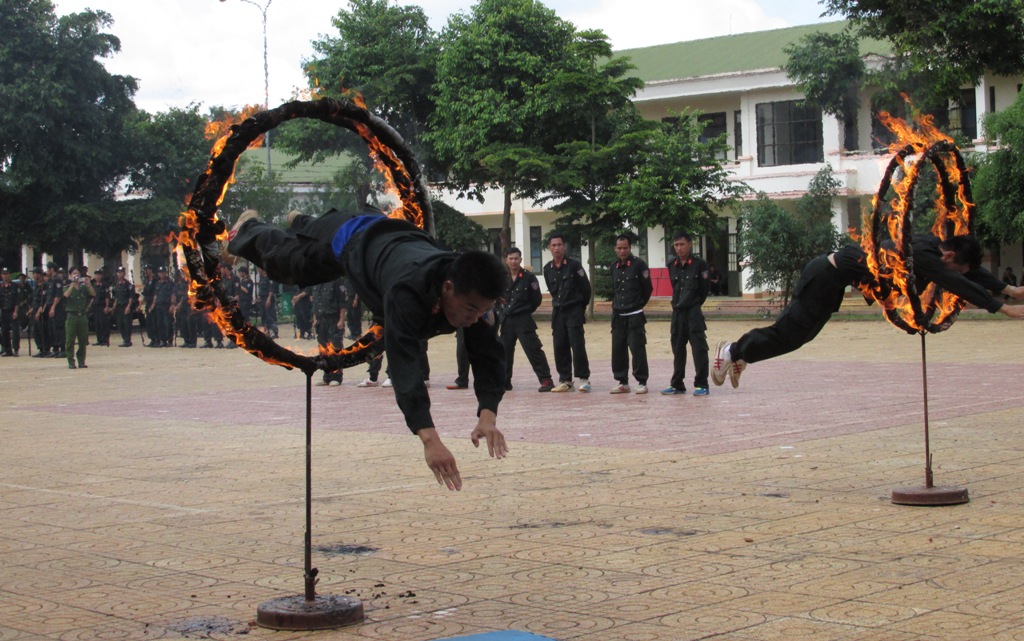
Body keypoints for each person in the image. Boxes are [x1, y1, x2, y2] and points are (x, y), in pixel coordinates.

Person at [226, 207, 509, 490]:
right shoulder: (407, 292)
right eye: (471, 309)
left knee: (311, 238)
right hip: (354, 240)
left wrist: (488, 416)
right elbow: (404, 365)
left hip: (394, 239)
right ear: (447, 287)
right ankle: (248, 228)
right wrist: (430, 440)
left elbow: (489, 357)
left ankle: (301, 220)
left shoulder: (473, 292)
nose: (474, 318)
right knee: (287, 266)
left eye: (481, 311)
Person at [711, 234, 1024, 389]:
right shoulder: (925, 255)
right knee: (791, 334)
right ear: (950, 255)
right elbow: (955, 280)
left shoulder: (935, 248)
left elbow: (965, 273)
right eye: (957, 266)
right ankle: (732, 351)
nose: (957, 272)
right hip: (824, 275)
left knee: (799, 336)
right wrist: (1001, 308)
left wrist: (1009, 290)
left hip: (834, 280)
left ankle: (742, 354)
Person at [496, 248, 554, 392]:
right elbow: (498, 298)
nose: (513, 261)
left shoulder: (529, 277)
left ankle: (546, 380)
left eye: (516, 258)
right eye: (511, 258)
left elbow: (536, 299)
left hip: (523, 319)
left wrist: (526, 310)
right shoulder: (501, 277)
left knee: (533, 350)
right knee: (504, 352)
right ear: (506, 260)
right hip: (507, 320)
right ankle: (504, 381)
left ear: (521, 260)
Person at [662, 231, 711, 396]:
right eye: (676, 245)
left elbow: (703, 290)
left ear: (690, 244)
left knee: (699, 348)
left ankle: (702, 384)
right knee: (677, 348)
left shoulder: (699, 264)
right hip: (677, 313)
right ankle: (677, 384)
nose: (679, 248)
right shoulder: (671, 265)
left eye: (682, 244)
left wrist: (693, 303)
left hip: (693, 312)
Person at [543, 233, 592, 393]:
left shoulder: (574, 265)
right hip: (558, 312)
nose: (557, 248)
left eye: (559, 245)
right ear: (549, 248)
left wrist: (580, 308)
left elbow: (586, 289)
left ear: (564, 247)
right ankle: (565, 380)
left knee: (577, 345)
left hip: (574, 311)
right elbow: (553, 291)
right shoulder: (547, 269)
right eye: (553, 245)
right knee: (560, 346)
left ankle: (584, 379)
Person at [608, 235, 653, 395]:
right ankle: (622, 382)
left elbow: (647, 289)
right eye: (619, 248)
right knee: (618, 350)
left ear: (630, 247)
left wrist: (637, 305)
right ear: (615, 248)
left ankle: (642, 381)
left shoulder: (639, 265)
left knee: (637, 349)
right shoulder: (614, 267)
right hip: (618, 315)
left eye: (625, 248)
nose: (622, 251)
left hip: (634, 315)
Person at [312, 277, 345, 386]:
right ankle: (327, 376)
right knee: (323, 349)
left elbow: (342, 302)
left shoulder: (336, 280)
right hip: (321, 320)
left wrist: (341, 320)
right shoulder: (316, 282)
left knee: (335, 348)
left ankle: (336, 376)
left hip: (333, 318)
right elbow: (315, 302)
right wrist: (315, 318)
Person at [63, 267, 95, 369]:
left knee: (83, 340)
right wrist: (73, 284)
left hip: (82, 316)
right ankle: (71, 361)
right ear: (70, 276)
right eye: (73, 273)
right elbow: (66, 295)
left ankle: (81, 360)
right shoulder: (67, 287)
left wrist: (88, 284)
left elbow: (93, 294)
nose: (76, 275)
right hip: (72, 316)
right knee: (70, 340)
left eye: (77, 273)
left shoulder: (83, 287)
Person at [111, 266, 135, 347]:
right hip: (119, 306)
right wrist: (113, 307)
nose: (119, 274)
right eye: (118, 272)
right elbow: (116, 297)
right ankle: (124, 338)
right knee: (120, 323)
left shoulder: (128, 284)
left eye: (121, 272)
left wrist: (128, 306)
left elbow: (131, 297)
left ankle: (127, 340)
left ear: (124, 273)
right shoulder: (116, 284)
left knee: (127, 324)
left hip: (125, 305)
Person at [0, 267, 20, 357]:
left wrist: (16, 311)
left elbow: (17, 300)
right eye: (3, 274)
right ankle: (7, 350)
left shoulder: (14, 286)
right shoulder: (1, 287)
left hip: (12, 311)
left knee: (15, 331)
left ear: (9, 275)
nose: (5, 276)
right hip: (4, 311)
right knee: (4, 331)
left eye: (6, 274)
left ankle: (16, 349)